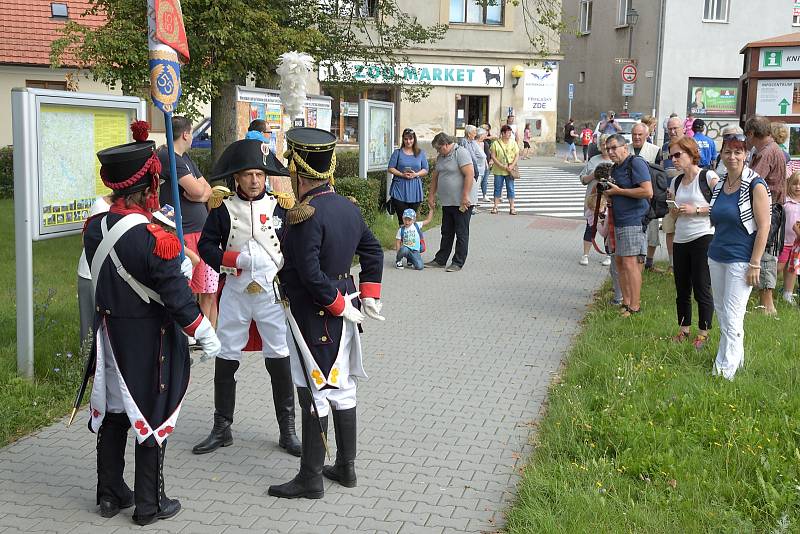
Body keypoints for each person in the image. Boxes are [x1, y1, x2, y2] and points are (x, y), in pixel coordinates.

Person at [83, 122, 221, 525]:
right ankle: (150, 504)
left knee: (113, 412)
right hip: (148, 337)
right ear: (149, 187)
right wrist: (204, 331)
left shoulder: (95, 228)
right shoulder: (154, 238)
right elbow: (178, 299)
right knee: (152, 415)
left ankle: (109, 495)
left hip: (109, 335)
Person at [268, 127, 384, 500]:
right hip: (345, 305)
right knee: (343, 387)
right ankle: (346, 467)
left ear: (300, 174)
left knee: (315, 391)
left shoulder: (305, 215)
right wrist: (366, 297)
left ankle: (310, 477)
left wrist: (335, 305)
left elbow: (309, 272)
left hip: (313, 312)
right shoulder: (349, 207)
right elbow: (374, 252)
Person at [192, 139, 302, 458]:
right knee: (227, 355)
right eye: (247, 175)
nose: (254, 180)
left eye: (259, 174)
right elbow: (207, 247)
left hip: (272, 294)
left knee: (279, 356)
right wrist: (234, 260)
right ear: (236, 178)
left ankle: (288, 429)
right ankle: (221, 427)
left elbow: (294, 247)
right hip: (237, 293)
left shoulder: (281, 205)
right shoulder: (221, 208)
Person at [707, 133, 771, 380]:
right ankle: (737, 359)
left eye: (738, 151)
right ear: (721, 154)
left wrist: (755, 263)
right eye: (728, 151)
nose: (732, 156)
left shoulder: (756, 185)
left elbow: (764, 226)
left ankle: (724, 371)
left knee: (733, 315)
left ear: (746, 155)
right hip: (717, 254)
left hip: (741, 258)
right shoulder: (721, 182)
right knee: (722, 312)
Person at [158, 116, 218, 328]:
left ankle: (207, 332)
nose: (192, 137)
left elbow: (206, 189)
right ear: (185, 134)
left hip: (199, 232)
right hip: (185, 233)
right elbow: (196, 190)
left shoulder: (186, 159)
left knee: (207, 288)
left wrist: (200, 194)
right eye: (191, 133)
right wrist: (198, 193)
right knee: (189, 287)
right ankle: (190, 331)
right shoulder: (168, 157)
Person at [667, 136, 719, 349]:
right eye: (671, 156)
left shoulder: (708, 177)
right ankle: (683, 329)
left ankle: (704, 333)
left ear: (691, 154)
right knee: (681, 287)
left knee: (701, 286)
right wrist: (675, 210)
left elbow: (721, 206)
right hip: (681, 238)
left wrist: (696, 210)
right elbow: (671, 211)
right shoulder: (676, 181)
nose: (674, 159)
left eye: (678, 155)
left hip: (703, 236)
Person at [603, 133, 653, 316]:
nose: (610, 152)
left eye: (614, 148)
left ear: (625, 147)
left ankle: (635, 306)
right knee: (620, 262)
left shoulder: (635, 163)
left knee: (630, 263)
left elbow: (647, 191)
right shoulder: (615, 168)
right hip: (617, 220)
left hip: (633, 220)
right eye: (608, 149)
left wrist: (619, 191)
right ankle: (626, 302)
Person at [745, 114, 787, 315]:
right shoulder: (772, 149)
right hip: (772, 206)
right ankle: (765, 302)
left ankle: (767, 304)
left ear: (752, 133)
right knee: (765, 251)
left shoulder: (766, 152)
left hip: (769, 207)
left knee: (766, 252)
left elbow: (753, 180)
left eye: (747, 136)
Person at [425, 132, 476, 272]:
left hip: (462, 202)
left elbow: (469, 174)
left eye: (439, 148)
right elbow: (435, 177)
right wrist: (431, 195)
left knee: (461, 232)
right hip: (447, 201)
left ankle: (458, 262)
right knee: (446, 231)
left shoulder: (461, 153)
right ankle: (441, 259)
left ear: (446, 144)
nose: (438, 151)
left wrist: (465, 196)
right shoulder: (442, 156)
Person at [77, 194, 112, 353]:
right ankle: (88, 370)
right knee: (91, 330)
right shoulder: (101, 205)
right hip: (92, 273)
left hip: (110, 274)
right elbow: (85, 239)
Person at [629, 123, 663, 272]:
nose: (636, 137)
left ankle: (649, 261)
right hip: (630, 194)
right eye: (634, 134)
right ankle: (633, 258)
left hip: (650, 195)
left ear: (646, 135)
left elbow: (659, 174)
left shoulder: (655, 150)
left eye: (640, 135)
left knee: (652, 229)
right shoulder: (625, 149)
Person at [579, 133, 613, 267]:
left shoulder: (615, 160)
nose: (606, 147)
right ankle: (585, 254)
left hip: (608, 200)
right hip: (593, 200)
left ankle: (609, 254)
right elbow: (582, 178)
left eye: (608, 144)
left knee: (607, 227)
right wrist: (593, 175)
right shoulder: (593, 160)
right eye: (603, 144)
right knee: (590, 226)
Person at [657, 116, 685, 272]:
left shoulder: (689, 145)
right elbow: (661, 168)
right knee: (669, 229)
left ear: (682, 128)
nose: (673, 131)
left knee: (684, 228)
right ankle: (672, 264)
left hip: (686, 193)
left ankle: (684, 263)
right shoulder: (665, 147)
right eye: (670, 129)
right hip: (669, 194)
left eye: (676, 128)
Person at [387, 128, 429, 226]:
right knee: (402, 221)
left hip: (414, 190)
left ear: (414, 139)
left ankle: (411, 240)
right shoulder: (397, 153)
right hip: (399, 190)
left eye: (410, 139)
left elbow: (425, 169)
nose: (408, 141)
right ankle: (401, 240)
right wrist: (402, 174)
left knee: (411, 220)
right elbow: (390, 168)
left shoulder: (420, 153)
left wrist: (416, 174)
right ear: (403, 139)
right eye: (406, 139)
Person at [779, 172, 800, 304]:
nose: (798, 187)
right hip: (784, 242)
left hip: (797, 243)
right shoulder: (785, 201)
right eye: (795, 184)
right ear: (789, 184)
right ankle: (764, 286)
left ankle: (788, 293)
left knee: (792, 269)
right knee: (779, 268)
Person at [490, 125, 520, 216]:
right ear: (502, 133)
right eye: (508, 133)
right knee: (497, 188)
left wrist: (512, 165)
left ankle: (512, 207)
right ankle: (495, 206)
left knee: (510, 188)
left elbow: (517, 155)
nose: (509, 134)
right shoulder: (496, 143)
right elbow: (493, 156)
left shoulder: (513, 143)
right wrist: (502, 166)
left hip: (510, 170)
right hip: (498, 170)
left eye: (510, 133)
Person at [480, 124, 495, 202]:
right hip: (483, 162)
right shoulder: (480, 140)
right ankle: (482, 195)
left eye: (486, 129)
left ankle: (484, 194)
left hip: (488, 160)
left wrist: (492, 159)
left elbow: (492, 150)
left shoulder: (489, 140)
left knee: (485, 179)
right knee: (482, 180)